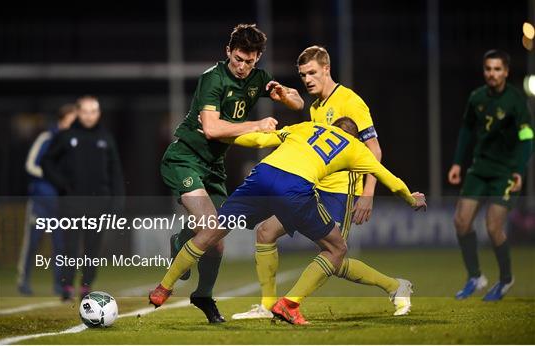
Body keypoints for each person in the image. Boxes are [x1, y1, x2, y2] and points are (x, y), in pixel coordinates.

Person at [149, 117, 426, 325]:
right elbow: (387, 176)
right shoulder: (356, 148)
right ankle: (289, 304)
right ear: (353, 135)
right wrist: (411, 198)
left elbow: (260, 139)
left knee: (213, 231)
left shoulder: (307, 126)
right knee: (336, 249)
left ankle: (164, 287)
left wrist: (222, 136)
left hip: (262, 175)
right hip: (295, 188)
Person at [232, 45, 412, 320]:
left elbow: (373, 150)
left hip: (342, 191)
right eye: (303, 74)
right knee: (266, 232)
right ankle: (268, 306)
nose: (307, 79)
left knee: (334, 254)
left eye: (312, 73)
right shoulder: (316, 107)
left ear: (327, 69)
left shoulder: (350, 101)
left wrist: (368, 192)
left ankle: (395, 286)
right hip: (313, 187)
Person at [161, 23, 304, 323]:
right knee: (211, 226)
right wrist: (255, 124)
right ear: (228, 51)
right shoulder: (212, 79)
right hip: (185, 158)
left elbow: (299, 103)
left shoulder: (259, 78)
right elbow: (212, 129)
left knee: (218, 240)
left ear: (258, 58)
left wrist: (284, 95)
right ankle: (182, 245)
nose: (242, 67)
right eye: (238, 59)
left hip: (213, 167)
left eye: (249, 62)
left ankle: (202, 294)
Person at [448, 49, 533, 301]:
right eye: (488, 69)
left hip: (505, 172)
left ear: (506, 71)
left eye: (497, 69)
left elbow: (527, 138)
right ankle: (475, 277)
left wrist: (519, 169)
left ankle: (506, 279)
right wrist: (456, 163)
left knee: (494, 226)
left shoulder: (516, 100)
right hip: (479, 169)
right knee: (461, 222)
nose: (492, 74)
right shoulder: (477, 98)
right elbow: (466, 130)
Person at [41, 95, 124, 301]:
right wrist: (62, 185)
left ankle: (86, 286)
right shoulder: (66, 136)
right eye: (85, 111)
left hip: (99, 204)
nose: (89, 116)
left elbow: (115, 172)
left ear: (99, 114)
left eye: (93, 111)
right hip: (71, 203)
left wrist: (117, 201)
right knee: (70, 247)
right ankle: (67, 286)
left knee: (92, 249)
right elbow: (47, 163)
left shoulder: (106, 138)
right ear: (78, 113)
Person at [17, 104, 77, 295]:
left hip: (60, 204)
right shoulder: (47, 138)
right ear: (63, 119)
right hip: (41, 201)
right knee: (33, 243)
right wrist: (52, 175)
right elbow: (30, 165)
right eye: (73, 118)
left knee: (60, 245)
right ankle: (23, 281)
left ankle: (59, 285)